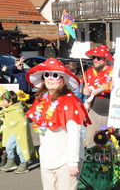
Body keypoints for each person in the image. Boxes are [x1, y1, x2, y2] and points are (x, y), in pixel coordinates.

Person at [25, 58, 91, 189]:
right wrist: (43, 158)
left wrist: (73, 161)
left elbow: (74, 133)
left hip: (66, 160)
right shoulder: (41, 100)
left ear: (63, 79)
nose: (50, 79)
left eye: (55, 75)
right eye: (46, 75)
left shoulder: (70, 101)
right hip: (47, 159)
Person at [82, 45, 114, 148]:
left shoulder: (114, 71)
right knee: (90, 142)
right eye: (93, 57)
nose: (95, 60)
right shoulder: (88, 72)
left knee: (109, 143)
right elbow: (83, 89)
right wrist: (84, 91)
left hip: (111, 114)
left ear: (106, 59)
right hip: (94, 113)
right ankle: (90, 162)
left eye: (99, 58)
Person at [0, 90, 37, 173]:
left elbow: (22, 121)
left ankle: (24, 164)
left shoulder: (17, 110)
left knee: (20, 149)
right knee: (9, 145)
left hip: (20, 132)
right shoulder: (7, 109)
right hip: (13, 132)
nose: (2, 102)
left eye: (4, 100)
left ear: (10, 102)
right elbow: (2, 112)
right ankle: (11, 162)